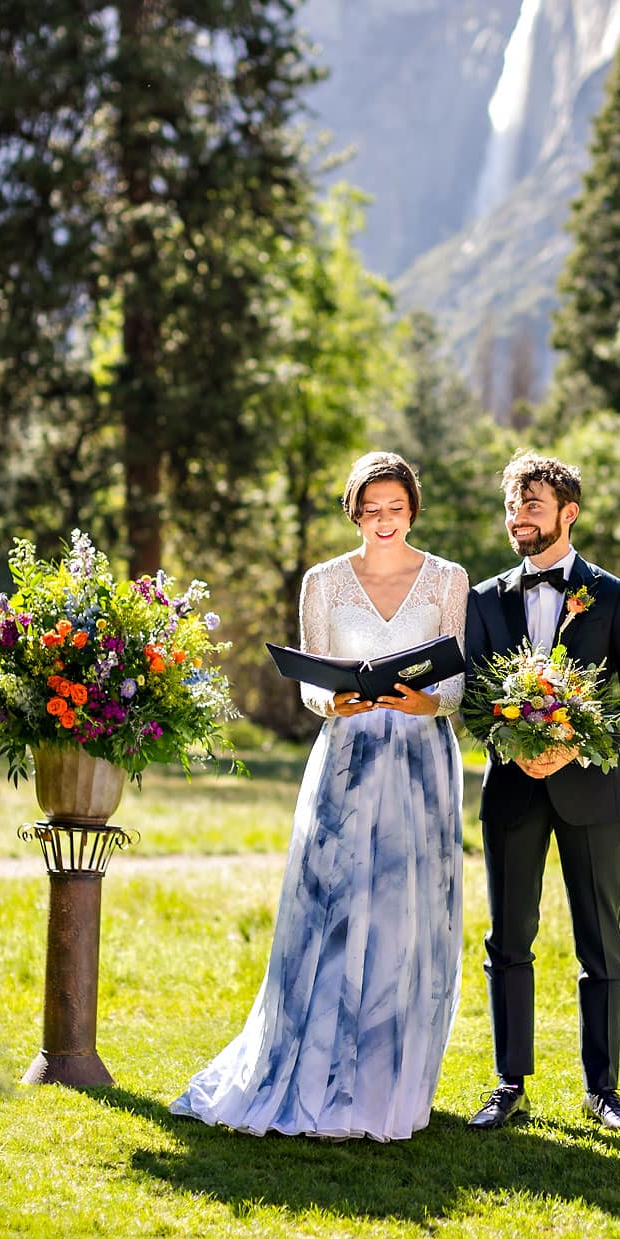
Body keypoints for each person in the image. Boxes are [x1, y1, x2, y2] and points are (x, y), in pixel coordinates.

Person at [171, 452, 468, 1141]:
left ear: (412, 509)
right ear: (353, 511)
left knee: (407, 911)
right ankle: (317, 1069)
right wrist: (334, 699)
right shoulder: (323, 581)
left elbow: (454, 687)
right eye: (370, 509)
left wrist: (421, 701)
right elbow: (309, 684)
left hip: (422, 762)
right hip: (347, 756)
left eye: (395, 508)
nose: (383, 520)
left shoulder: (449, 579)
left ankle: (391, 1081)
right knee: (334, 904)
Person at [464, 451, 620, 1133]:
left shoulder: (614, 597)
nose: (518, 518)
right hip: (512, 792)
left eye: (532, 506)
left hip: (592, 792)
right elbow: (471, 700)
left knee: (599, 941)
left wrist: (580, 742)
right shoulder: (485, 599)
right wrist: (515, 745)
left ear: (567, 513)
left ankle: (604, 1090)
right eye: (512, 506)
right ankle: (508, 1084)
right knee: (508, 939)